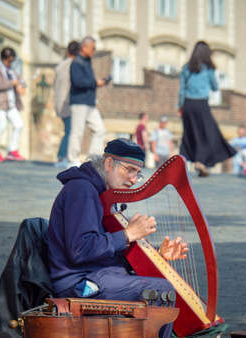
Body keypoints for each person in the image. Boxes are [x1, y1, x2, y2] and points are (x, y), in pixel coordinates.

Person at [47, 138, 188, 338]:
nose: (133, 179)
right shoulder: (82, 190)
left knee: (158, 283)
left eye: (137, 174)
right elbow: (80, 250)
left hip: (100, 275)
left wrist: (158, 255)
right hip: (80, 284)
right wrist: (128, 234)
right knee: (160, 290)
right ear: (108, 164)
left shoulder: (102, 195)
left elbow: (107, 252)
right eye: (129, 170)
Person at [178, 41, 236, 177]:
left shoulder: (186, 68)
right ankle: (200, 162)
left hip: (187, 104)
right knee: (207, 133)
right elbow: (215, 87)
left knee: (189, 133)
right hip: (201, 104)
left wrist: (180, 106)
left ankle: (185, 162)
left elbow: (181, 90)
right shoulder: (208, 69)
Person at [67, 36, 107, 167]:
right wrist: (96, 82)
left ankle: (92, 160)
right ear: (84, 47)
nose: (94, 51)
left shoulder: (87, 62)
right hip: (79, 102)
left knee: (99, 129)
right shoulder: (76, 62)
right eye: (93, 48)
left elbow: (88, 82)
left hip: (89, 103)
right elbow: (77, 82)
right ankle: (72, 159)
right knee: (77, 131)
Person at [0, 47, 26, 162]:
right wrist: (12, 83)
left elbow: (20, 80)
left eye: (12, 61)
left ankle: (13, 151)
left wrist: (22, 85)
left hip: (10, 103)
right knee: (1, 126)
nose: (11, 63)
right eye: (10, 60)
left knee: (19, 124)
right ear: (5, 58)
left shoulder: (10, 70)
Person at [54, 40, 80, 168]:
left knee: (68, 130)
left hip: (59, 102)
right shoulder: (74, 65)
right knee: (70, 131)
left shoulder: (60, 65)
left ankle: (62, 157)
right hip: (69, 102)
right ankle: (62, 157)